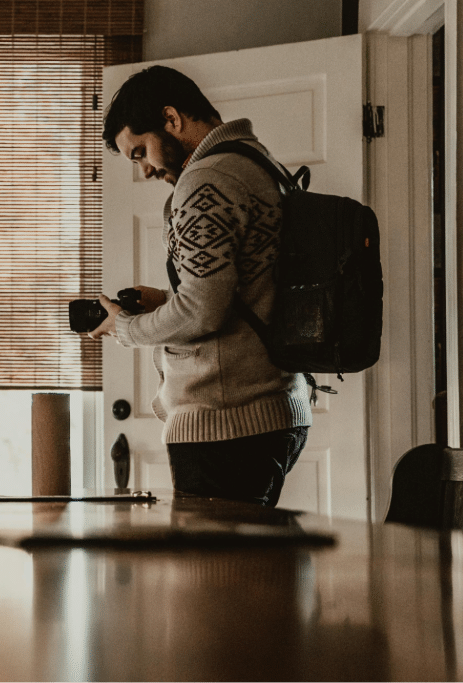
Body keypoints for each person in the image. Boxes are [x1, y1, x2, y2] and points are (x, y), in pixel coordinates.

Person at [91, 66, 312, 507]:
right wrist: (167, 301)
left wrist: (125, 328)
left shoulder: (207, 180)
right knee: (251, 571)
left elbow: (201, 312)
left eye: (139, 152)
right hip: (273, 407)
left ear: (171, 119)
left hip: (226, 424)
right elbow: (245, 288)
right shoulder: (258, 162)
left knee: (213, 575)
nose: (146, 169)